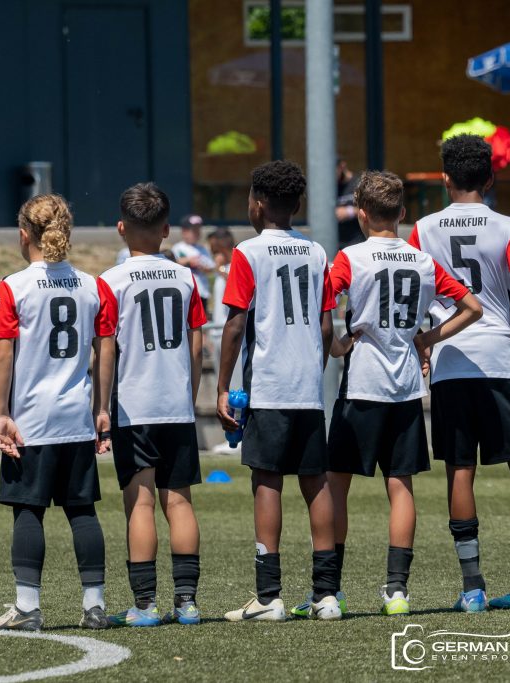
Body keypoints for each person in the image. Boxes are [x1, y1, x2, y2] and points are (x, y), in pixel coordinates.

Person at [407, 134, 510, 612]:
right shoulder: (508, 226)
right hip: (497, 358)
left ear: (445, 178)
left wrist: (426, 340)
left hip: (450, 360)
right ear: (490, 178)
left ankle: (473, 588)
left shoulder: (423, 228)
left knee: (460, 469)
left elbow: (416, 291)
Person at [326, 171, 482, 615]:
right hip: (406, 387)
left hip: (362, 384)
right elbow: (472, 307)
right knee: (401, 486)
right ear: (402, 213)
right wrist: (427, 338)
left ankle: (329, 590)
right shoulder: (423, 262)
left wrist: (337, 344)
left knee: (336, 484)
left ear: (361, 214)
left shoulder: (350, 258)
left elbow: (323, 301)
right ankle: (397, 591)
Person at [216, 160, 342, 622]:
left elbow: (235, 326)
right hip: (306, 387)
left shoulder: (247, 253)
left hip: (268, 387)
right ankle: (326, 595)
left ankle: (269, 597)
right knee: (316, 482)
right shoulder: (316, 252)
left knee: (267, 480)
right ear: (297, 204)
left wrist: (222, 387)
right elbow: (326, 326)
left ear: (258, 203)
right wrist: (312, 370)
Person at [0, 194, 111, 632]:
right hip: (76, 418)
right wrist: (101, 408)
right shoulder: (93, 285)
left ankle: (27, 608)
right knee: (82, 511)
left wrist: (1, 412)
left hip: (31, 420)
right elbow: (106, 349)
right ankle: (95, 606)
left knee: (27, 510)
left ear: (24, 235)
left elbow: (3, 354)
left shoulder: (14, 286)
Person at [97, 183, 208, 627]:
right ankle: (187, 603)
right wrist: (189, 393)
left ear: (121, 228)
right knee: (179, 502)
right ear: (166, 229)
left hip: (134, 406)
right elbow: (197, 344)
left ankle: (145, 605)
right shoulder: (186, 277)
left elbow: (107, 347)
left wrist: (101, 404)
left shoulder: (110, 281)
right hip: (176, 404)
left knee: (140, 503)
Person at [171, 214, 215, 314]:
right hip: (186, 291)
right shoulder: (178, 248)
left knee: (201, 318)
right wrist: (188, 261)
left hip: (202, 291)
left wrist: (204, 267)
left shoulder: (203, 249)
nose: (197, 233)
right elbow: (172, 263)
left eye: (198, 230)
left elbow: (211, 267)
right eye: (193, 231)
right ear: (184, 232)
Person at [336, 159, 363, 248]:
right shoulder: (331, 187)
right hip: (337, 243)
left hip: (357, 241)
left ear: (342, 166)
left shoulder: (359, 184)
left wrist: (350, 211)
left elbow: (372, 209)